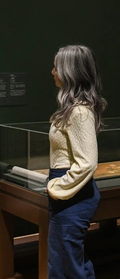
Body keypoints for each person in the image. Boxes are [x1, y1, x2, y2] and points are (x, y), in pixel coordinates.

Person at [47, 45, 107, 278]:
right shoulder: (72, 110)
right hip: (70, 195)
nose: (52, 72)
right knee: (65, 261)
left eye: (56, 67)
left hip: (73, 196)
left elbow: (87, 163)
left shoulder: (79, 112)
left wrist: (58, 187)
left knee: (67, 265)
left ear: (70, 72)